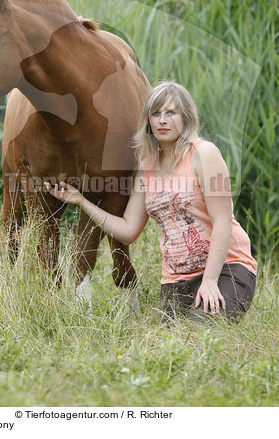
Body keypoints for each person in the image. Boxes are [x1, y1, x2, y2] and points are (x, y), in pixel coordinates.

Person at [44, 81, 257, 321]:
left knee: (201, 335)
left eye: (171, 112)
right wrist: (81, 201)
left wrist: (209, 281)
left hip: (225, 269)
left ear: (186, 118)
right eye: (156, 114)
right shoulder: (147, 167)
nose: (162, 120)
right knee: (166, 347)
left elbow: (222, 221)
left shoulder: (203, 154)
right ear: (148, 122)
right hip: (177, 279)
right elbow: (128, 230)